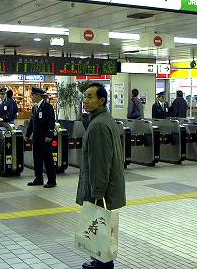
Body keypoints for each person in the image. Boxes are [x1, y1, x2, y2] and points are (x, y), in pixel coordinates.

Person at [76, 83, 126, 269]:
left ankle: (102, 263)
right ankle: (100, 260)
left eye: (90, 97)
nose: (86, 101)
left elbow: (100, 162)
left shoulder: (98, 125)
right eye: (85, 97)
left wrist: (97, 192)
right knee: (101, 224)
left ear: (102, 100)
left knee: (99, 224)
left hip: (99, 188)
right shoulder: (104, 119)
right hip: (104, 186)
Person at [25, 87, 57, 188]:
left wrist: (49, 135)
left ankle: (52, 180)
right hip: (36, 138)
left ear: (38, 96)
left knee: (47, 159)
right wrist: (27, 134)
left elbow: (51, 122)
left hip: (45, 138)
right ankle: (38, 178)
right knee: (37, 159)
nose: (31, 97)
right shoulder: (35, 107)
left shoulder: (48, 107)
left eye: (33, 95)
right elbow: (32, 123)